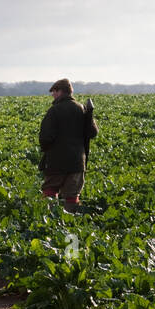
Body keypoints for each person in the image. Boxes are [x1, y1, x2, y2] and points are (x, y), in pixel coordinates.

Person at [38, 78, 95, 212]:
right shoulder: (82, 109)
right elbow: (92, 132)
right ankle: (70, 222)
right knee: (72, 196)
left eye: (54, 91)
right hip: (77, 162)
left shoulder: (54, 111)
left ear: (60, 91)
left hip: (56, 162)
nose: (52, 94)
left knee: (50, 191)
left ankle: (50, 221)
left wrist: (47, 151)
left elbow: (45, 138)